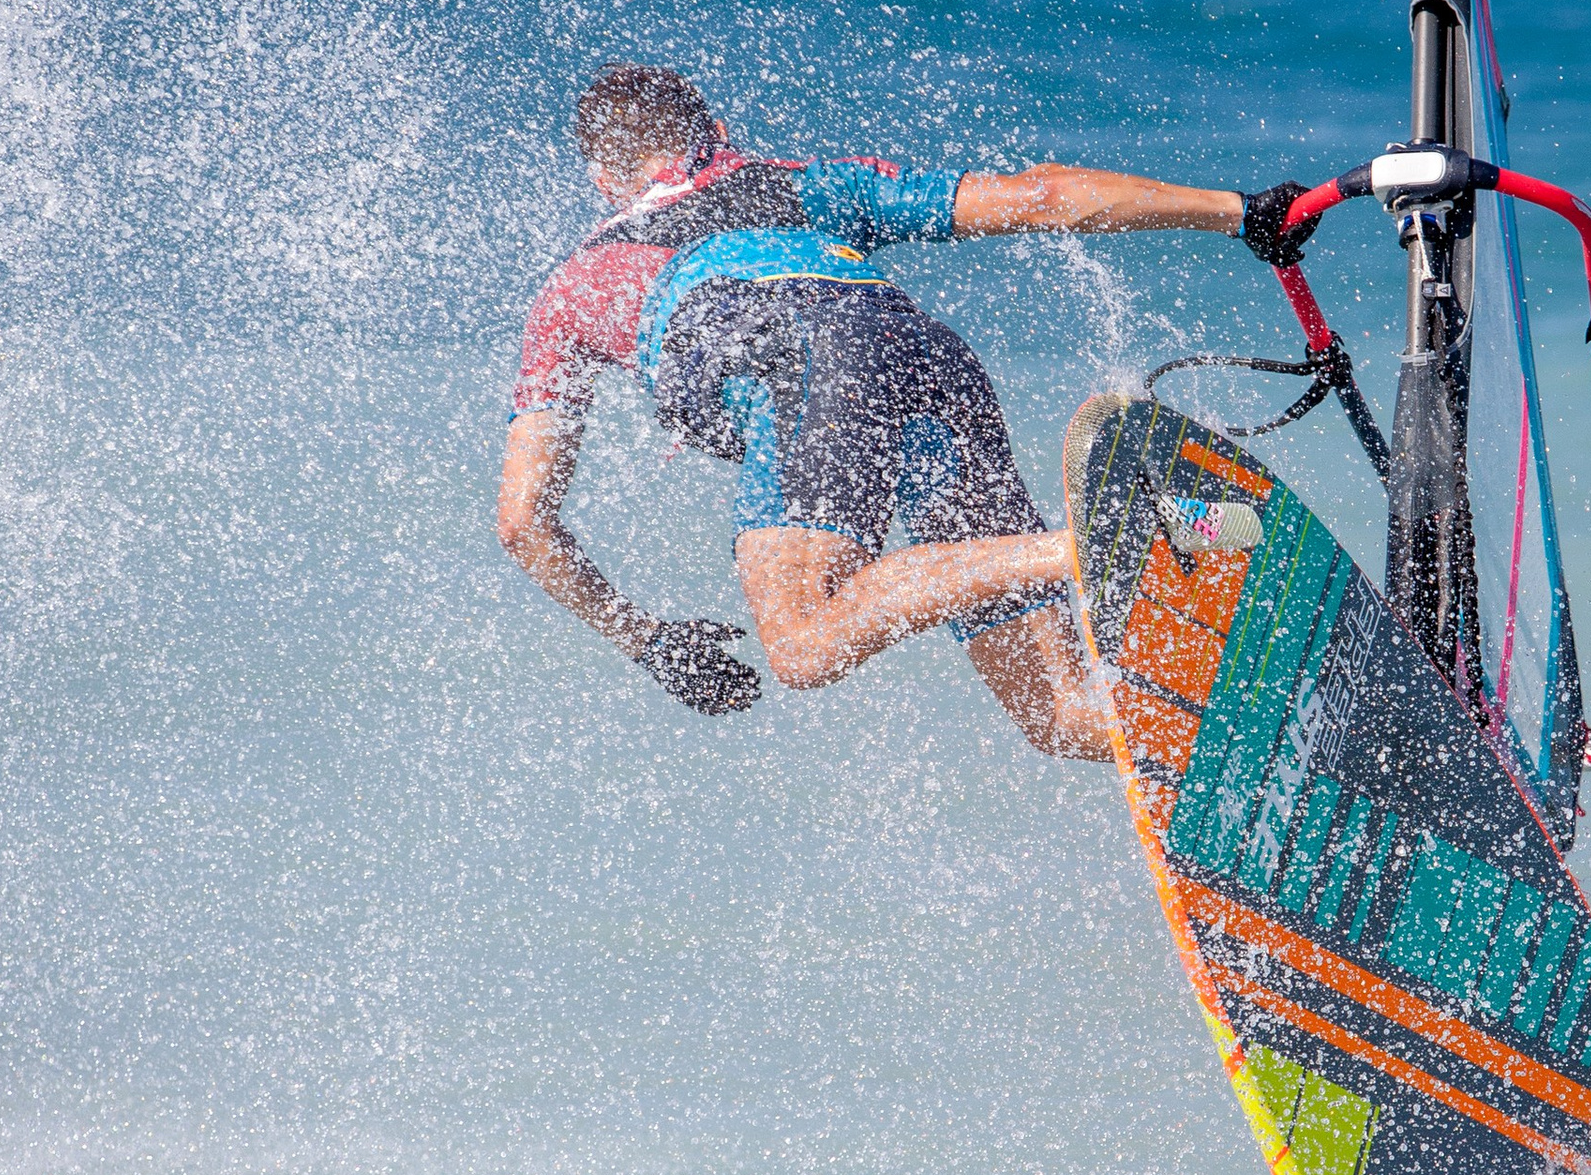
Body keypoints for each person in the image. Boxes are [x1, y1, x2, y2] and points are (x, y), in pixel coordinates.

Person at [497, 63, 1315, 754]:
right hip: (926, 357)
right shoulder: (813, 186)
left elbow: (523, 523)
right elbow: (1038, 198)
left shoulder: (578, 285)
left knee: (804, 645)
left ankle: (1109, 537)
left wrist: (644, 639)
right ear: (711, 132)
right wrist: (1243, 212)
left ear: (604, 181)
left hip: (803, 360)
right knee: (1062, 715)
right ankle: (1251, 642)